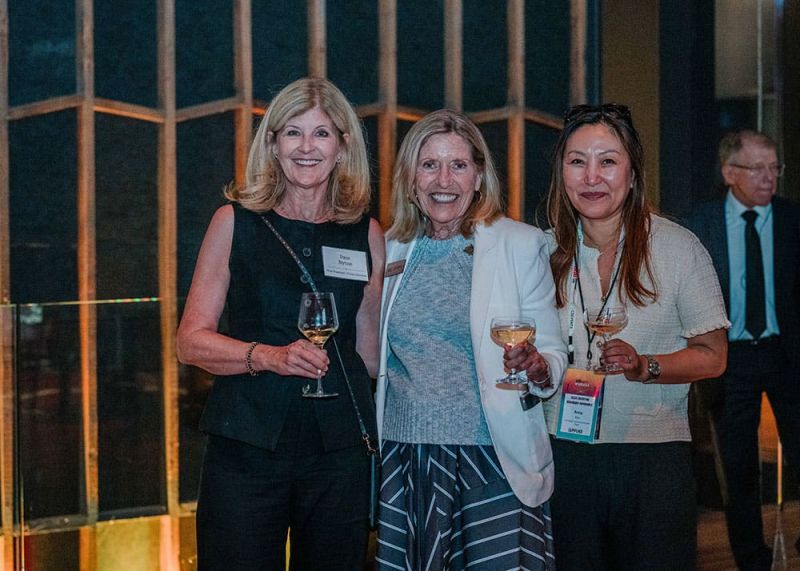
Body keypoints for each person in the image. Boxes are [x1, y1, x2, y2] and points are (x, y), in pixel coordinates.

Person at [176, 77, 384, 570]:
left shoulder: (367, 233)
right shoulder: (234, 223)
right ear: (272, 144)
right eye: (293, 132)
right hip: (246, 448)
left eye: (321, 133)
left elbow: (369, 356)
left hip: (338, 455)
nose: (307, 147)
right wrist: (270, 357)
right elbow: (190, 342)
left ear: (343, 146)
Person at [374, 109, 567, 570]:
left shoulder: (519, 244)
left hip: (493, 456)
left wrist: (537, 365)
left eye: (458, 165)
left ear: (479, 176)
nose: (444, 180)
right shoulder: (387, 247)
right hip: (406, 457)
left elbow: (554, 353)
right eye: (429, 165)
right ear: (410, 178)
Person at [541, 103, 729, 570]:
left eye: (608, 161)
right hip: (561, 455)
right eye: (577, 161)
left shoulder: (678, 248)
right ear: (562, 171)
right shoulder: (541, 251)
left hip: (652, 459)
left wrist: (645, 365)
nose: (592, 177)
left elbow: (713, 356)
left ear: (632, 171)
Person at [687, 129, 800, 570]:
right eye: (758, 168)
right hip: (727, 359)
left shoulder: (792, 219)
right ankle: (752, 560)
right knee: (738, 469)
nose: (769, 177)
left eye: (775, 167)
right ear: (730, 172)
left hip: (786, 355)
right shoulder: (701, 225)